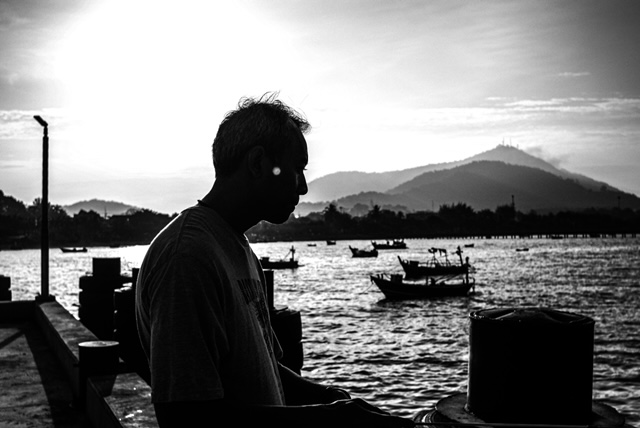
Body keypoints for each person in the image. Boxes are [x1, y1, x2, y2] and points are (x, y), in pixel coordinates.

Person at [135, 93, 414, 428]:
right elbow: (185, 417)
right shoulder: (188, 257)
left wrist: (331, 398)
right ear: (257, 163)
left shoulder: (237, 248)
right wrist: (330, 420)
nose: (304, 187)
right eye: (297, 169)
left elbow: (265, 368)